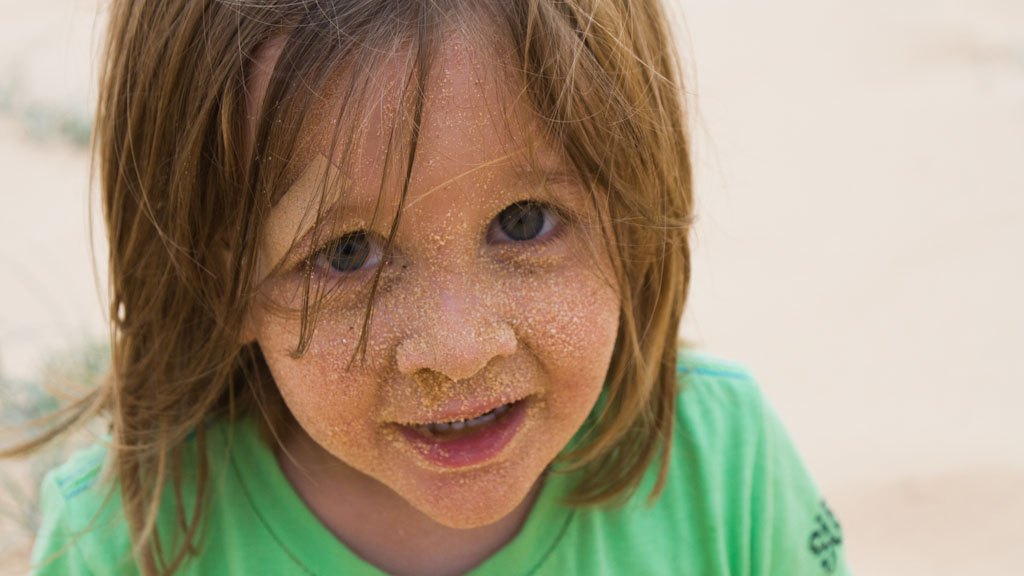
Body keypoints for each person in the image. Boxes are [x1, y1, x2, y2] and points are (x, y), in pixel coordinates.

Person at [14, 0, 851, 574]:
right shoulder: (123, 544)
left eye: (524, 222)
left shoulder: (724, 472)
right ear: (216, 273)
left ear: (634, 206)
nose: (456, 350)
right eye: (346, 253)